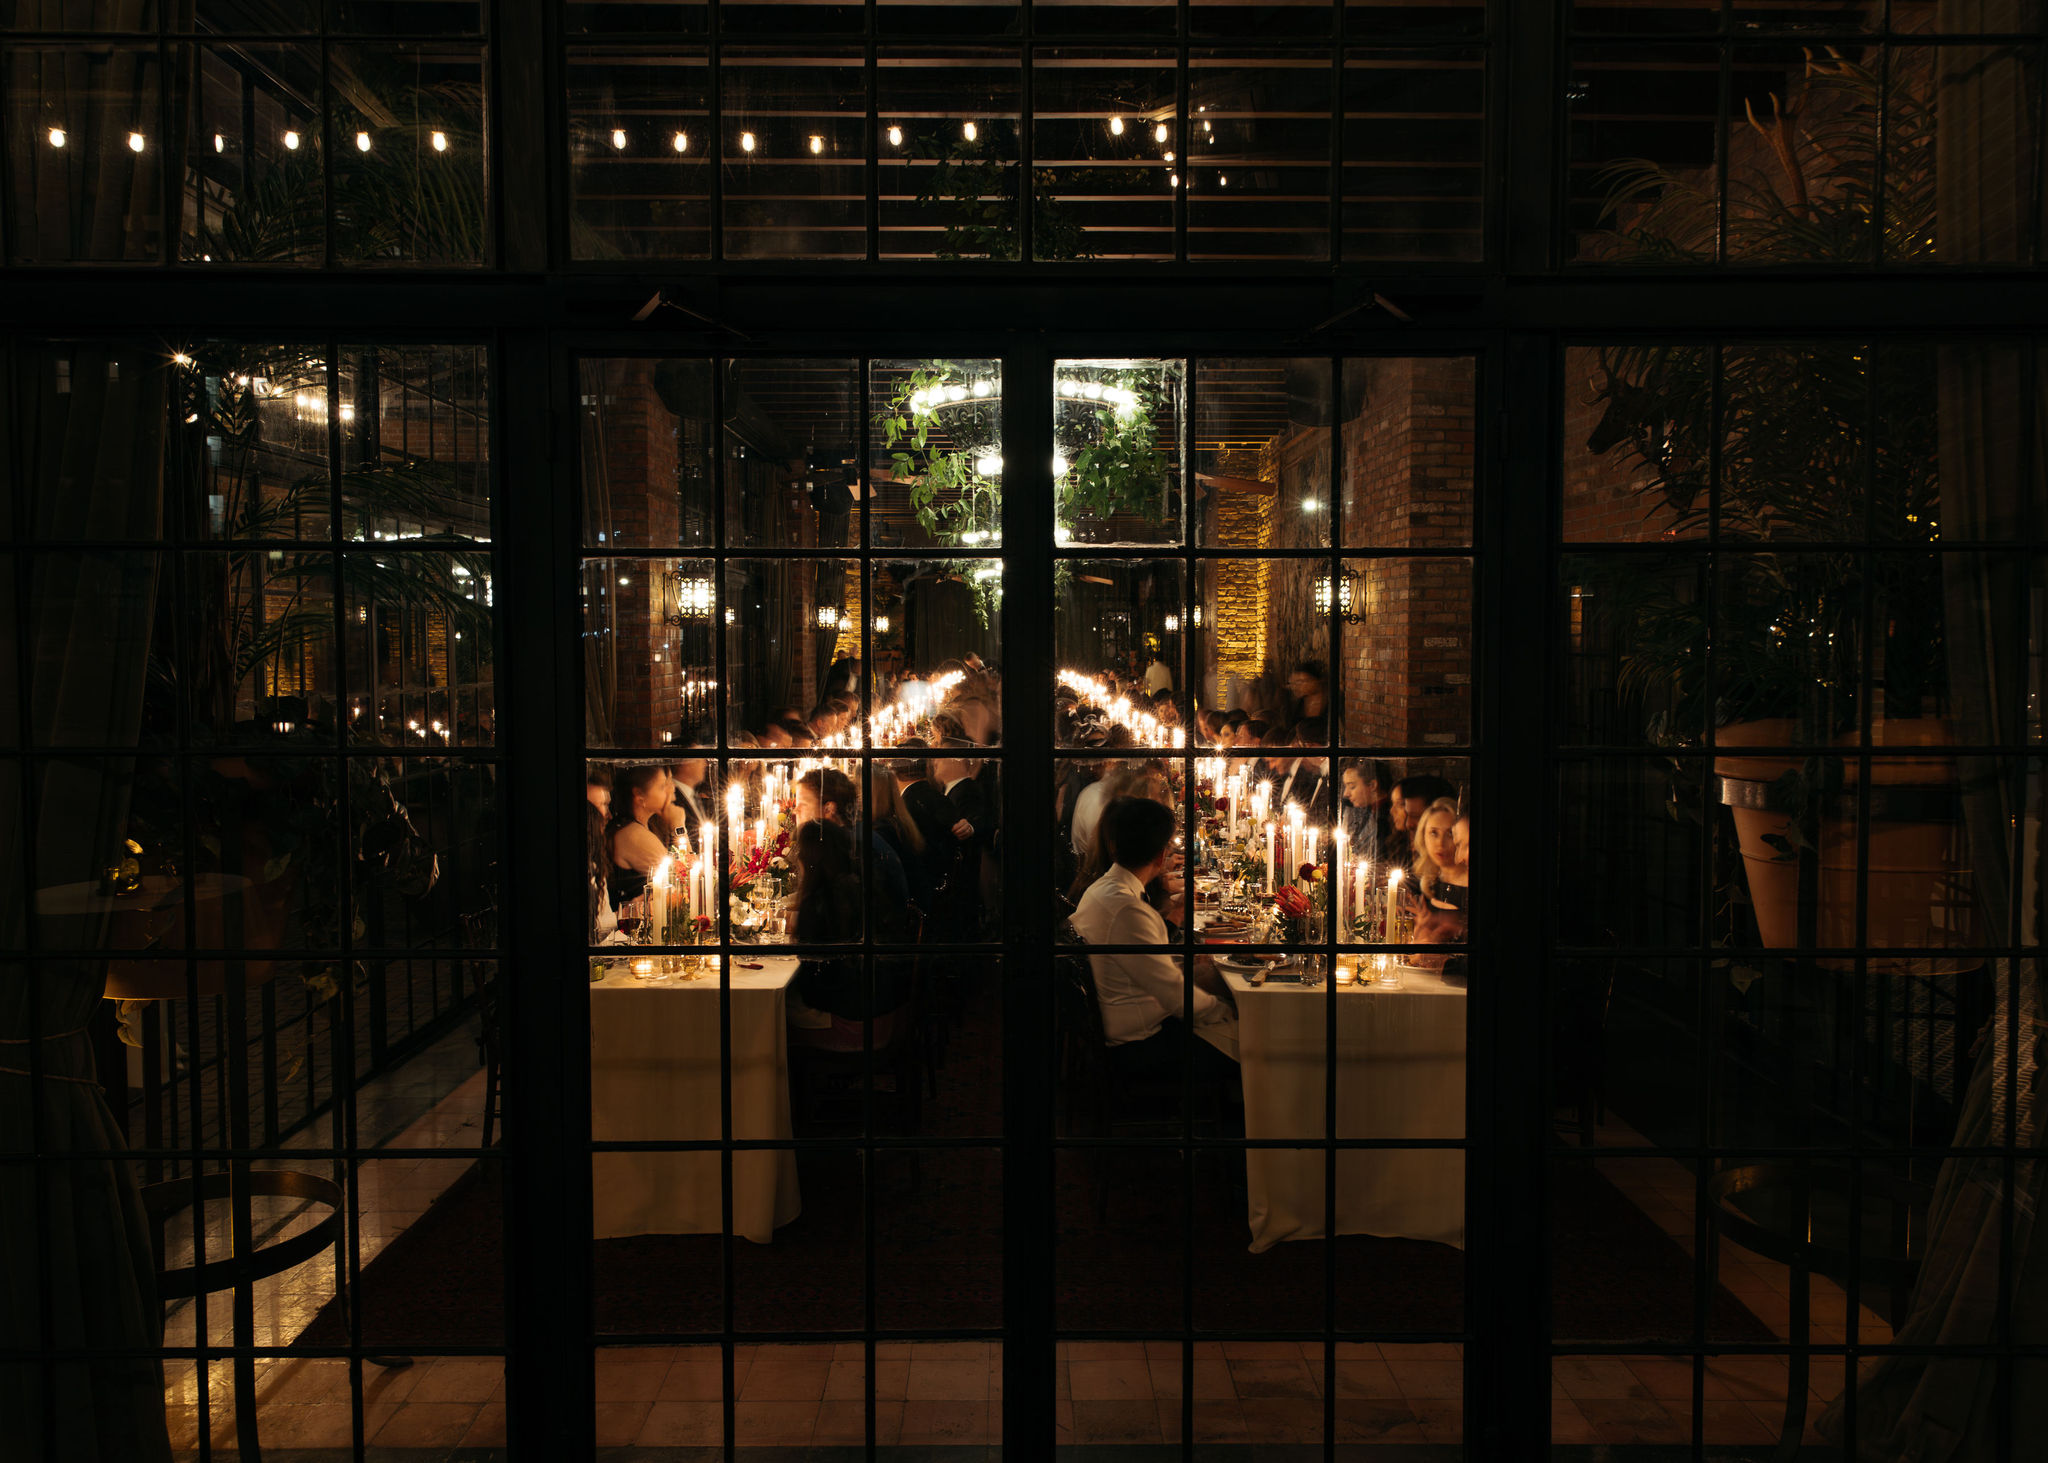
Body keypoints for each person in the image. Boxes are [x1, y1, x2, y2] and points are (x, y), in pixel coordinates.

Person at [1069, 797, 1240, 1076]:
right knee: (1254, 1040)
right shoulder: (1129, 911)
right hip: (1137, 1045)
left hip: (1117, 1022)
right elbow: (1176, 997)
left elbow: (1150, 967)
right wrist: (1227, 1010)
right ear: (1161, 856)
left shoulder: (1102, 889)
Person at [1405, 797, 1470, 962]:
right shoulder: (1428, 883)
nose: (1441, 843)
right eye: (1434, 833)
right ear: (1423, 836)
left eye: (1449, 834)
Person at [607, 764, 671, 908]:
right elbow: (679, 880)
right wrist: (679, 826)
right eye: (662, 786)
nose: (669, 791)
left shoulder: (647, 825)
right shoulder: (633, 835)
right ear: (639, 796)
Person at [1339, 758, 1394, 863]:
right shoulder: (1365, 810)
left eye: (1352, 786)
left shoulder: (1387, 819)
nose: (1346, 793)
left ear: (1372, 785)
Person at [1287, 659, 1328, 728]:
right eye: (1294, 683)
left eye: (1302, 681)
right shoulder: (1297, 705)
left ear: (1316, 680)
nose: (1296, 687)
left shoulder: (1330, 703)